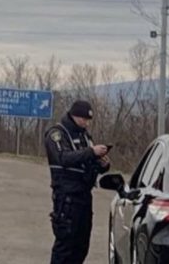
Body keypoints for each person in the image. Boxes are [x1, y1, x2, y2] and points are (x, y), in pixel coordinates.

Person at [44, 100, 111, 264]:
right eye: (84, 119)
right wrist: (91, 152)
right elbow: (63, 158)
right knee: (65, 246)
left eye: (88, 120)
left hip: (84, 197)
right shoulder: (57, 134)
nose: (86, 123)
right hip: (67, 198)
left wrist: (102, 163)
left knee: (81, 246)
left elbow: (88, 162)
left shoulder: (85, 136)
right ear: (74, 116)